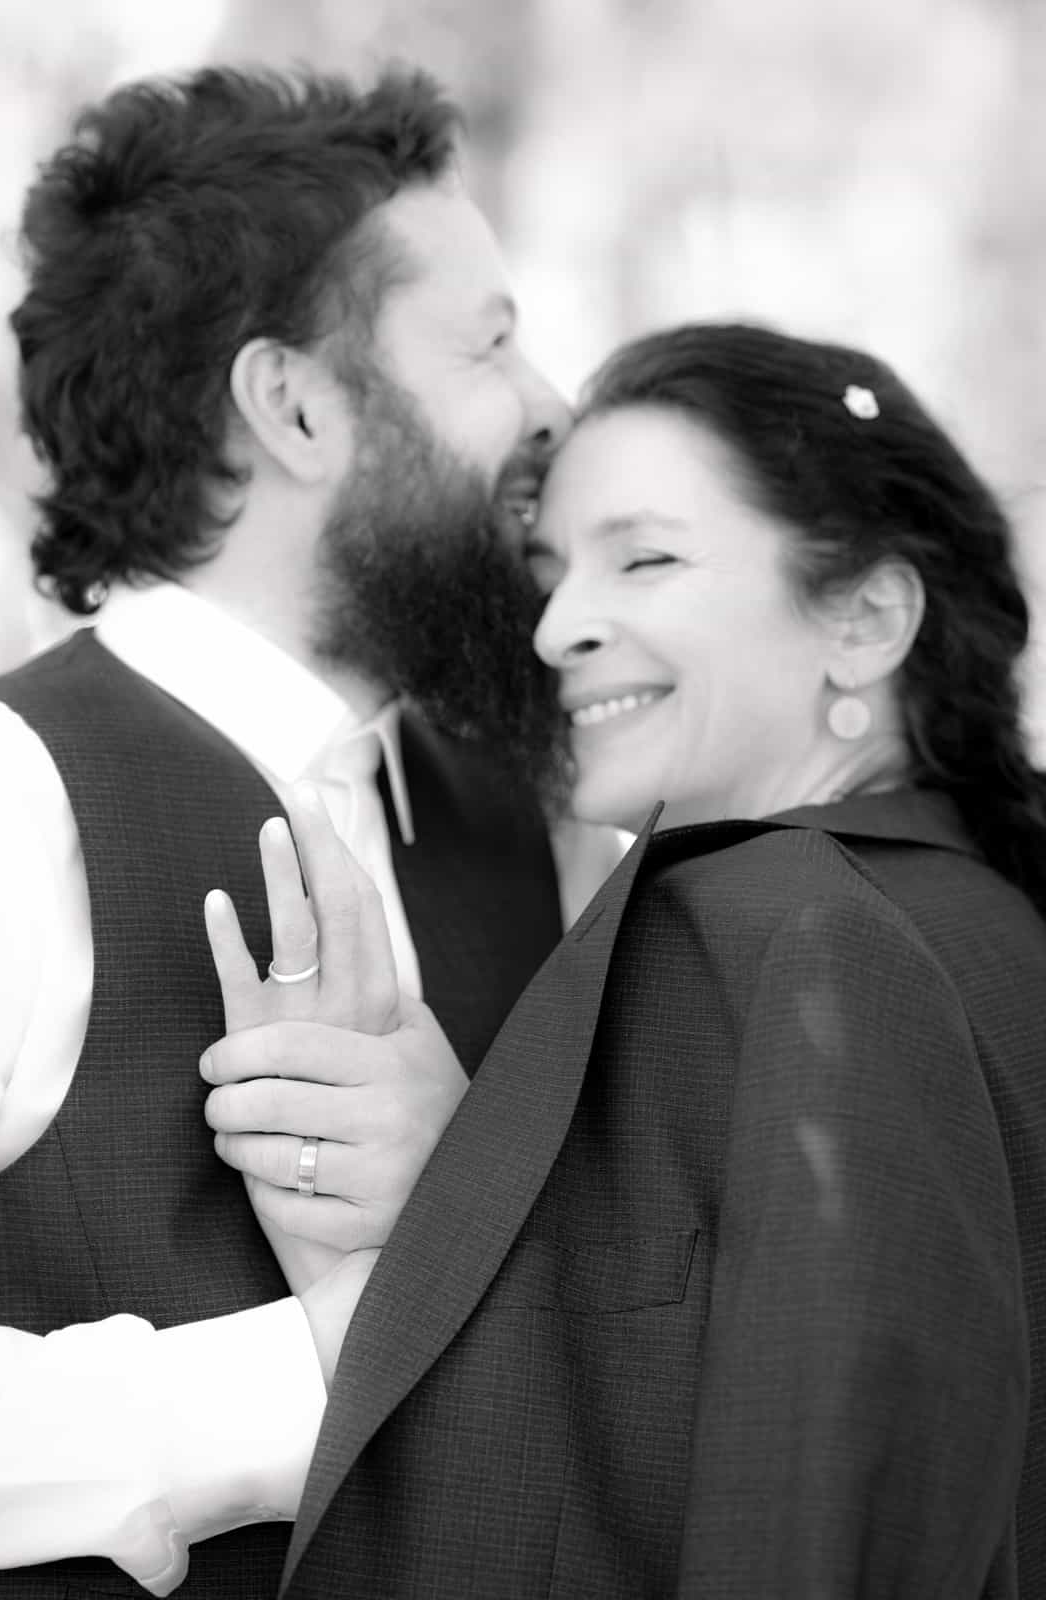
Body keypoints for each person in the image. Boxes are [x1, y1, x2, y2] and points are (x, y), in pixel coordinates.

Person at [0, 61, 613, 1599]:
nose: (554, 407)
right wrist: (314, 1373)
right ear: (296, 405)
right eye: (490, 346)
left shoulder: (507, 814)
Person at [203, 322, 1046, 1597]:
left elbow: (803, 1509)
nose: (554, 630)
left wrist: (430, 1232)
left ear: (867, 618)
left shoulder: (798, 932)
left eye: (644, 558)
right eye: (549, 572)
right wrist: (472, 1182)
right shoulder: (982, 918)